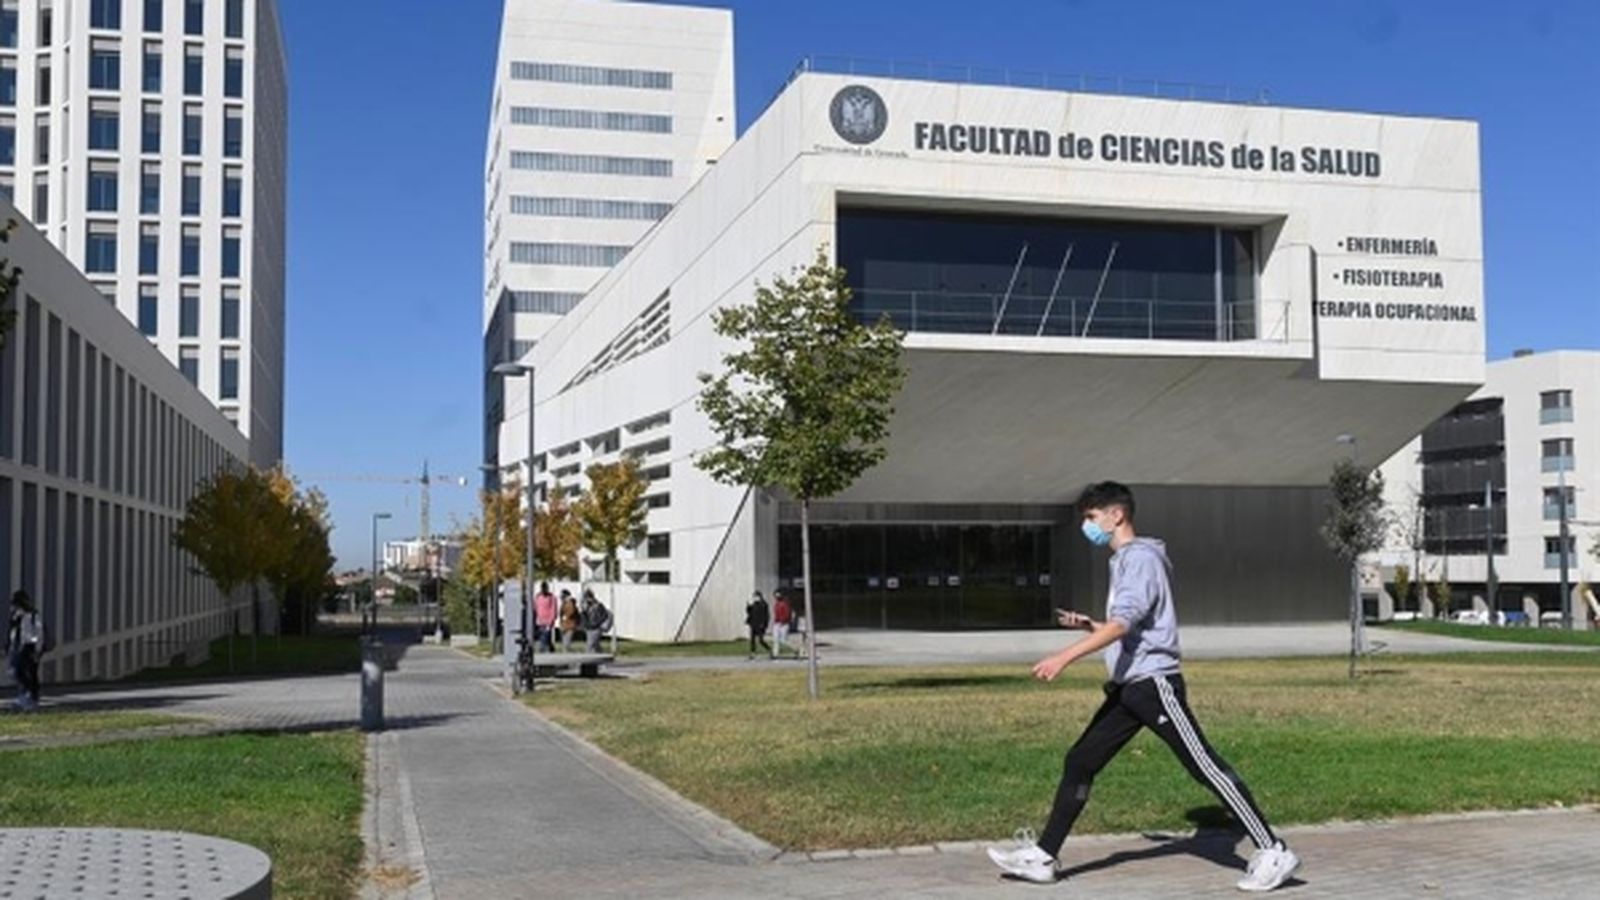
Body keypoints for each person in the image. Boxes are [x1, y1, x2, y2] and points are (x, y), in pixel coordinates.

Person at [987, 482, 1299, 891]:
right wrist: (1089, 626)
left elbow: (1124, 624)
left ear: (1116, 515)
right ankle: (1044, 857)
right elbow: (1133, 628)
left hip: (1154, 683)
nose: (1087, 526)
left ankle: (1273, 848)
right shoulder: (1125, 561)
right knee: (1080, 761)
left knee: (1202, 764)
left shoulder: (1140, 560)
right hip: (1129, 688)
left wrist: (1064, 656)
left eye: (1091, 517)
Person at [5, 590, 44, 712]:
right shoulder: (16, 616)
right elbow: (13, 632)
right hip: (18, 646)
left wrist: (38, 650)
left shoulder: (33, 615)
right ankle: (26, 696)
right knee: (16, 671)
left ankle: (30, 697)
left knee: (27, 672)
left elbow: (39, 633)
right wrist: (9, 646)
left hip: (29, 646)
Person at [745, 591, 771, 659]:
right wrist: (748, 607)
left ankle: (769, 649)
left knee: (760, 640)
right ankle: (752, 653)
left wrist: (764, 624)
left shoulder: (764, 604)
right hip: (753, 624)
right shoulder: (754, 604)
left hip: (760, 625)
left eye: (756, 596)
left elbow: (766, 616)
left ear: (760, 596)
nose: (755, 598)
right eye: (754, 596)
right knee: (752, 640)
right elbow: (750, 612)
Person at [533, 582, 557, 653]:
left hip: (548, 621)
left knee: (545, 635)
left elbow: (553, 609)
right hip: (540, 621)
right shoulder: (538, 597)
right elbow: (535, 608)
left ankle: (543, 649)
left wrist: (551, 620)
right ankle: (549, 649)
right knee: (543, 636)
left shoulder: (552, 597)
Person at [771, 591, 794, 658]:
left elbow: (787, 614)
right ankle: (775, 654)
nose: (777, 597)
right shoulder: (776, 604)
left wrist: (783, 621)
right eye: (775, 596)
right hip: (777, 623)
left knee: (783, 640)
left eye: (778, 595)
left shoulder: (785, 604)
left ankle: (795, 649)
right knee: (776, 639)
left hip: (784, 624)